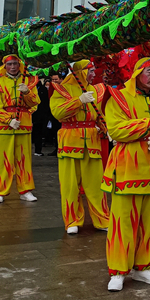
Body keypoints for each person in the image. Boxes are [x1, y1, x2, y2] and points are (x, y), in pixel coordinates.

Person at [102, 58, 150, 291]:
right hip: (128, 171)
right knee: (122, 222)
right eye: (149, 72)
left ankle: (144, 267)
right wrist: (147, 124)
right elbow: (115, 130)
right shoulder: (119, 98)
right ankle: (118, 271)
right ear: (137, 74)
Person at [50, 60, 110, 235]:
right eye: (90, 71)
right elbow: (58, 113)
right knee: (70, 185)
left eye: (93, 70)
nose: (93, 74)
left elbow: (100, 115)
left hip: (92, 141)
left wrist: (108, 129)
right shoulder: (62, 89)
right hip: (70, 141)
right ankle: (72, 220)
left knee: (96, 184)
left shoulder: (96, 90)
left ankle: (102, 219)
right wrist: (78, 101)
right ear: (81, 72)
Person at [0, 54, 39, 203]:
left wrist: (27, 93)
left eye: (15, 63)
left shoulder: (29, 81)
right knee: (2, 159)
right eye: (9, 64)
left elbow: (35, 102)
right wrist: (8, 120)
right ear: (4, 66)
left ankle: (26, 190)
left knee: (24, 159)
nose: (12, 67)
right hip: (3, 126)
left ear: (19, 65)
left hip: (23, 124)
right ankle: (0, 191)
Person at [31, 78, 51, 156]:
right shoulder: (29, 88)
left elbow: (46, 103)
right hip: (30, 114)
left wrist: (46, 115)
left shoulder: (43, 89)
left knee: (38, 133)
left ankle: (38, 150)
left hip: (40, 115)